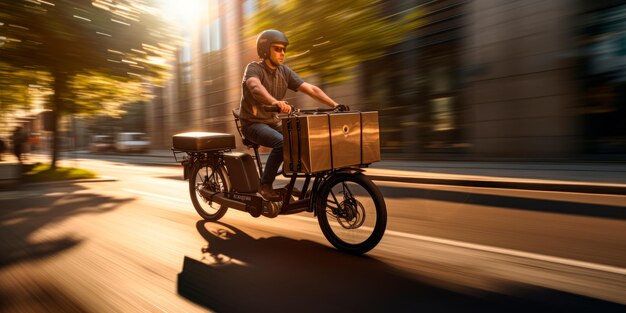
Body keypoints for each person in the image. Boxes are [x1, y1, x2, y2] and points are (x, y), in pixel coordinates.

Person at [238, 29, 348, 201]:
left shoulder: (284, 72)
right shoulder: (253, 68)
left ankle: (292, 185)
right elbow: (255, 88)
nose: (282, 53)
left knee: (303, 140)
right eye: (277, 49)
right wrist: (274, 102)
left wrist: (334, 105)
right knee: (282, 143)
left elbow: (311, 89)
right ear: (265, 50)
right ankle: (265, 185)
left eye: (284, 49)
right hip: (252, 124)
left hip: (272, 122)